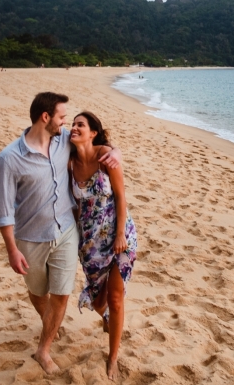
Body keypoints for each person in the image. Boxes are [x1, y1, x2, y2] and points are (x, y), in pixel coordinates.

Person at [0, 92, 121, 375]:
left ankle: (44, 349)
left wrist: (115, 152)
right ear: (46, 117)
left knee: (61, 294)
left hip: (66, 231)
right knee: (38, 292)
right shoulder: (9, 159)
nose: (66, 123)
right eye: (62, 117)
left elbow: (98, 145)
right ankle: (49, 321)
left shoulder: (65, 140)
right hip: (30, 238)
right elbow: (3, 210)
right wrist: (12, 249)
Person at [69, 111, 137, 381]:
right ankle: (107, 317)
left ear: (93, 132)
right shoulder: (69, 162)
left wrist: (120, 234)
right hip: (90, 243)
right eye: (72, 124)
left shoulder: (106, 155)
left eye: (80, 125)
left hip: (120, 237)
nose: (74, 128)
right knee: (99, 303)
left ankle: (113, 358)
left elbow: (121, 197)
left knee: (117, 299)